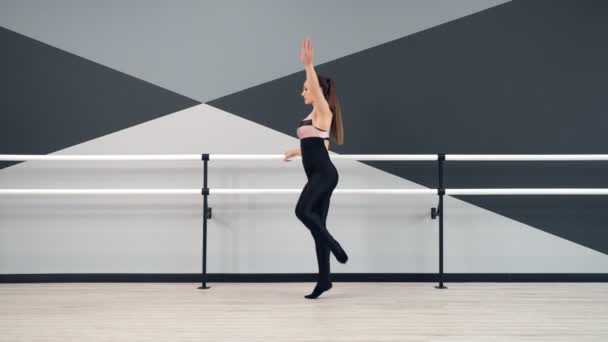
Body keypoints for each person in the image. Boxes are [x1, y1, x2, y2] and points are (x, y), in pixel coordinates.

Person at [284, 37, 348, 299]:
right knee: (316, 224)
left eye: (306, 89)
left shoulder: (324, 111)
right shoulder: (313, 117)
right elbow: (320, 146)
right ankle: (324, 281)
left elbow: (317, 92)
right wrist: (296, 150)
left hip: (324, 175)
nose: (303, 92)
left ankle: (335, 245)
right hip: (318, 172)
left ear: (316, 90)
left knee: (302, 210)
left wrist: (309, 66)